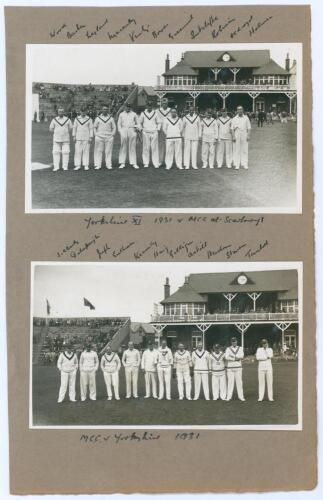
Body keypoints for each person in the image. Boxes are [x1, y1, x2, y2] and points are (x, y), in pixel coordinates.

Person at [49, 107, 73, 171]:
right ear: (58, 112)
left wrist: (64, 132)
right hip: (56, 139)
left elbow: (70, 128)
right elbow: (51, 129)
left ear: (64, 112)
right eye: (59, 111)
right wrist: (57, 132)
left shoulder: (68, 119)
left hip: (66, 139)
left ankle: (65, 166)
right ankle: (56, 167)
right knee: (56, 152)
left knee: (66, 152)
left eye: (62, 111)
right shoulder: (54, 120)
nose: (61, 113)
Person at [93, 105, 116, 170]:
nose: (105, 110)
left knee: (108, 151)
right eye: (104, 109)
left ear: (107, 110)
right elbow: (94, 127)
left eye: (106, 109)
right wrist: (96, 134)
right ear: (101, 110)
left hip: (109, 137)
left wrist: (113, 134)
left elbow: (114, 127)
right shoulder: (98, 118)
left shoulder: (111, 118)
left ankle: (108, 165)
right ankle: (98, 165)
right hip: (99, 137)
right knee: (99, 151)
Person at [138, 101, 160, 168]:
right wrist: (141, 129)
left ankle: (156, 163)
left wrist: (158, 129)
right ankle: (146, 163)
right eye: (148, 105)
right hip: (146, 132)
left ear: (152, 106)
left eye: (150, 106)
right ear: (146, 106)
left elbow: (159, 122)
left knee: (154, 148)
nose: (149, 107)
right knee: (146, 148)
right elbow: (139, 122)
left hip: (154, 132)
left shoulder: (155, 113)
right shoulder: (143, 113)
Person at [117, 103, 139, 169]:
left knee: (132, 147)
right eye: (127, 107)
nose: (128, 108)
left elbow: (138, 123)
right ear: (124, 107)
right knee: (123, 146)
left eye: (129, 107)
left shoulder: (134, 114)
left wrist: (136, 128)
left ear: (130, 107)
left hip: (132, 130)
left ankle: (134, 163)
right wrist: (121, 132)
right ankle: (122, 163)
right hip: (124, 130)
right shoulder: (121, 114)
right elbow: (119, 124)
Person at [73, 106, 94, 171]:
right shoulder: (77, 119)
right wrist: (74, 136)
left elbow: (91, 128)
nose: (83, 113)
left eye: (84, 111)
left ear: (86, 111)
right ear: (80, 112)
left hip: (86, 137)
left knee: (86, 151)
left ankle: (86, 165)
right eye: (82, 111)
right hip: (78, 137)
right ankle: (77, 165)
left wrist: (91, 137)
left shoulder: (89, 119)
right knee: (78, 152)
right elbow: (74, 128)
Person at [225, 337, 245, 401]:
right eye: (233, 341)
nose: (234, 342)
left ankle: (241, 397)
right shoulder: (228, 349)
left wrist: (232, 356)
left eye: (235, 341)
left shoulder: (240, 348)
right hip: (230, 368)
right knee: (230, 382)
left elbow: (242, 356)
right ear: (231, 342)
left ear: (237, 341)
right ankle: (229, 397)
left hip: (238, 367)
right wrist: (235, 358)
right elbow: (226, 357)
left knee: (239, 382)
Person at [156, 98, 171, 165]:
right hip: (161, 130)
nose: (165, 104)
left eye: (166, 103)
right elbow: (156, 120)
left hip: (169, 130)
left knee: (169, 146)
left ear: (167, 103)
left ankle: (168, 161)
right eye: (163, 103)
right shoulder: (158, 111)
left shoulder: (170, 110)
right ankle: (160, 160)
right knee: (160, 145)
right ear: (161, 103)